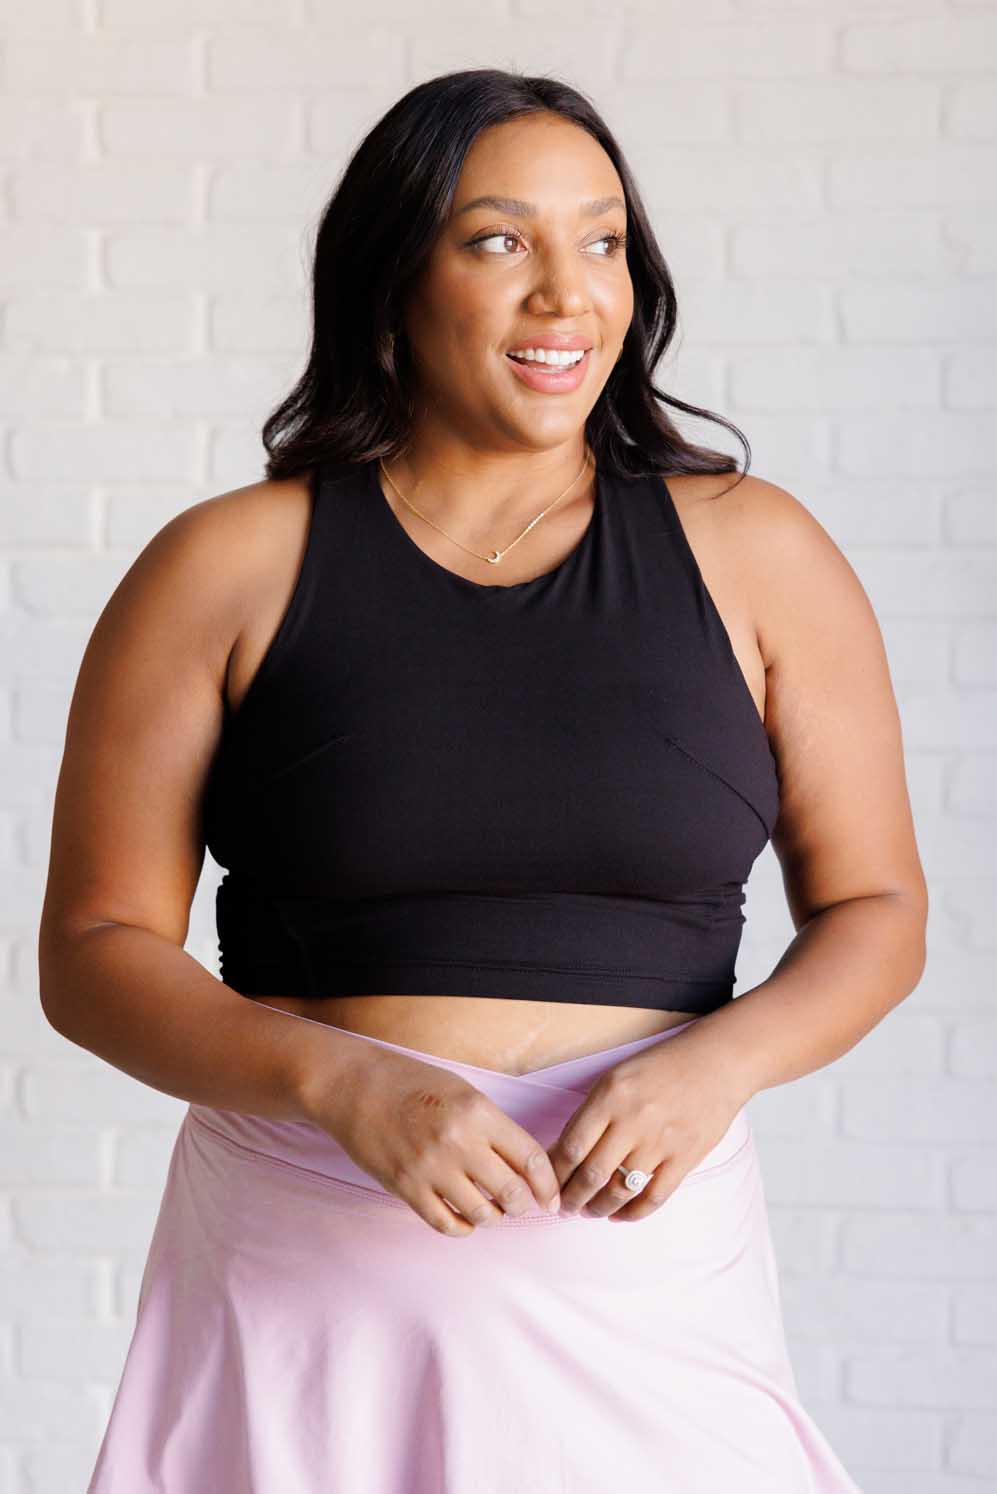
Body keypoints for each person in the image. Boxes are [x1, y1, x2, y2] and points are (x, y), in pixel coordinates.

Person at [40, 68, 925, 1494]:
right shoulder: (223, 566)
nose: (566, 293)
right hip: (306, 1266)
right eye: (499, 239)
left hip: (645, 1274)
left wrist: (718, 1067)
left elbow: (878, 907)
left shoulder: (759, 551)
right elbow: (93, 950)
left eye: (602, 239)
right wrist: (339, 1082)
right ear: (392, 279)